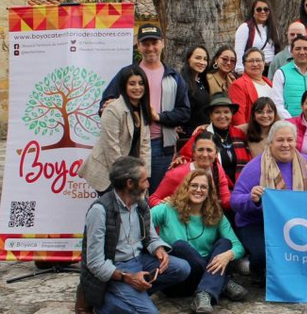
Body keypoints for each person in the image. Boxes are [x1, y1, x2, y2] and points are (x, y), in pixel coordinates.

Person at [75, 156, 190, 314]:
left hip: (140, 260)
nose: (148, 185)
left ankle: (133, 295)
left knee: (182, 268)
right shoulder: (100, 211)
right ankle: (101, 303)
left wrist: (159, 249)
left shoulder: (141, 204)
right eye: (144, 180)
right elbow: (95, 263)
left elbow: (151, 237)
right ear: (130, 183)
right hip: (116, 267)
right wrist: (127, 278)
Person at [231, 121, 307, 284]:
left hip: (298, 223)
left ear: (296, 142)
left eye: (290, 140)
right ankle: (256, 269)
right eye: (280, 140)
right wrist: (251, 199)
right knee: (263, 256)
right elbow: (235, 201)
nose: (285, 145)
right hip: (258, 224)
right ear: (270, 142)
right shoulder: (255, 167)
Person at [100, 24, 190, 193]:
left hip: (160, 147)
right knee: (127, 195)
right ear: (138, 46)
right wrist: (107, 105)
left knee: (155, 195)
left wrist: (159, 117)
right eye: (145, 44)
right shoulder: (127, 73)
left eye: (154, 43)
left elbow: (184, 113)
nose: (150, 48)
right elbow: (106, 102)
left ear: (163, 43)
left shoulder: (173, 77)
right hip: (130, 145)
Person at [151, 170, 247, 314]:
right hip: (179, 279)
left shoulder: (216, 214)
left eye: (203, 187)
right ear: (186, 188)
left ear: (209, 192)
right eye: (194, 185)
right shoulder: (167, 209)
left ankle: (204, 294)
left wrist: (229, 254)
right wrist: (156, 246)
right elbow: (141, 225)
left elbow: (238, 246)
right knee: (180, 246)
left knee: (225, 243)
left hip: (200, 279)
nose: (198, 190)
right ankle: (223, 283)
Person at [80, 65, 152, 194]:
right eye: (132, 84)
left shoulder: (143, 109)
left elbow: (145, 146)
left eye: (141, 83)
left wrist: (144, 177)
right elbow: (111, 148)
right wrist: (124, 179)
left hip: (131, 172)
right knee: (113, 206)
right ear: (124, 86)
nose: (137, 88)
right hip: (108, 172)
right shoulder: (113, 109)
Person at [179, 92, 250, 185]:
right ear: (210, 115)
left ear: (232, 114)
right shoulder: (202, 135)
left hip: (242, 186)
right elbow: (184, 159)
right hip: (212, 186)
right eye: (217, 112)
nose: (222, 116)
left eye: (226, 112)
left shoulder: (239, 134)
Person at [149, 132, 232, 212]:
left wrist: (237, 200)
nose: (204, 154)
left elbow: (225, 200)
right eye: (200, 150)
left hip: (209, 218)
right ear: (193, 152)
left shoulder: (217, 169)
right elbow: (153, 199)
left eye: (209, 150)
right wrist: (167, 207)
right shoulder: (178, 173)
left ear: (216, 154)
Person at [234, 0, 281, 72]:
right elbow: (239, 51)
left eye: (266, 9)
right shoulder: (245, 28)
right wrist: (240, 69)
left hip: (271, 70)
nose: (263, 12)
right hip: (253, 69)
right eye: (259, 9)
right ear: (253, 12)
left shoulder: (273, 29)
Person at [229, 48, 273, 125]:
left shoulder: (270, 83)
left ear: (264, 63)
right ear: (244, 64)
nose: (255, 64)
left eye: (258, 60)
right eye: (250, 61)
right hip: (252, 130)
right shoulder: (238, 85)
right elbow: (238, 116)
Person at [179, 44, 211, 139]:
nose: (202, 62)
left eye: (205, 59)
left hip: (203, 133)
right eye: (198, 58)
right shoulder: (181, 82)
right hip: (189, 135)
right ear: (188, 59)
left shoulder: (202, 82)